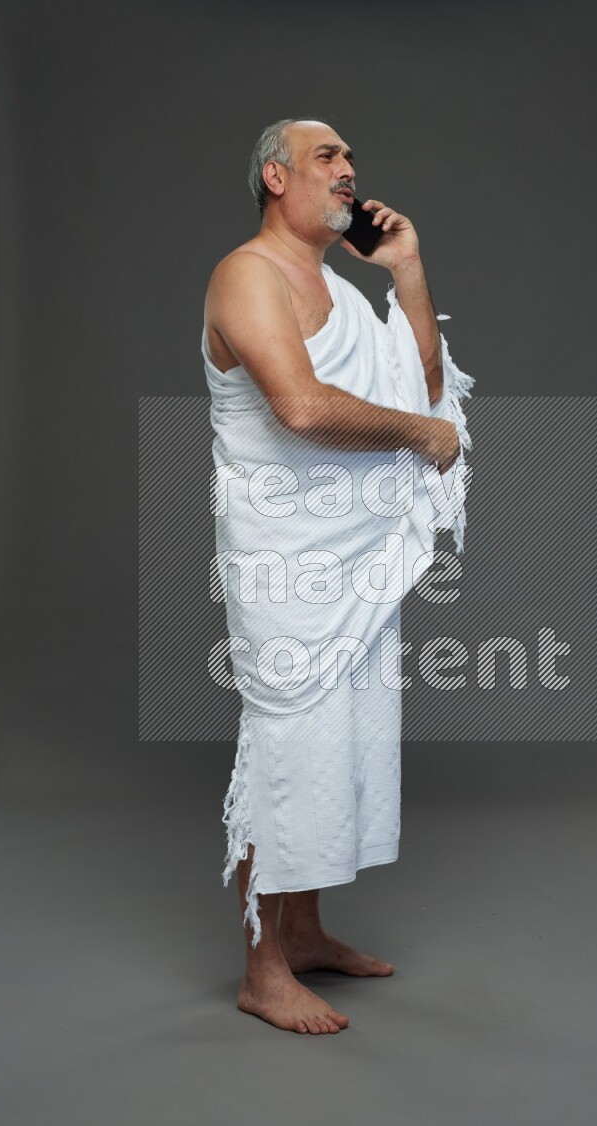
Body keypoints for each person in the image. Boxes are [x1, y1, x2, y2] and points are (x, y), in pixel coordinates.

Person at [202, 117, 474, 1035]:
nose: (350, 171)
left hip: (354, 555)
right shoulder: (248, 275)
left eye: (352, 160)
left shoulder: (342, 290)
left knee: (343, 734)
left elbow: (425, 386)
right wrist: (421, 436)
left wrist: (404, 268)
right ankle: (261, 966)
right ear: (277, 177)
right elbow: (302, 408)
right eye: (329, 158)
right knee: (287, 740)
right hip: (289, 558)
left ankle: (308, 930)